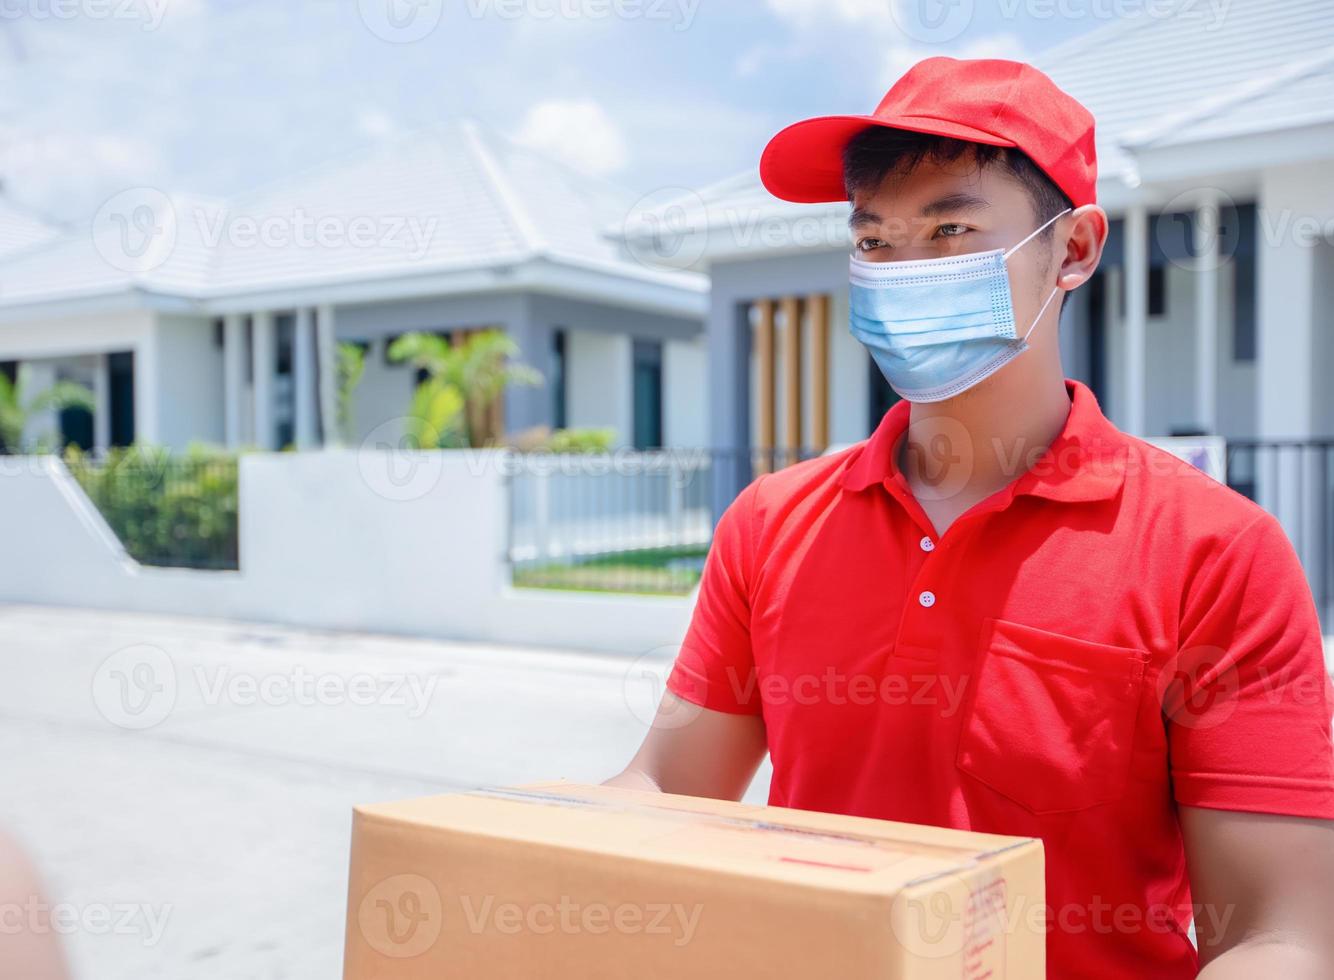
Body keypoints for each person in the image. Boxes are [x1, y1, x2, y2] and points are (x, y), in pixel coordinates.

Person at [609, 57, 1334, 978]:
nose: (902, 272)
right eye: (874, 242)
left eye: (950, 229)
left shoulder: (1214, 553)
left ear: (1072, 249)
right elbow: (667, 790)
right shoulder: (770, 523)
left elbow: (1282, 936)